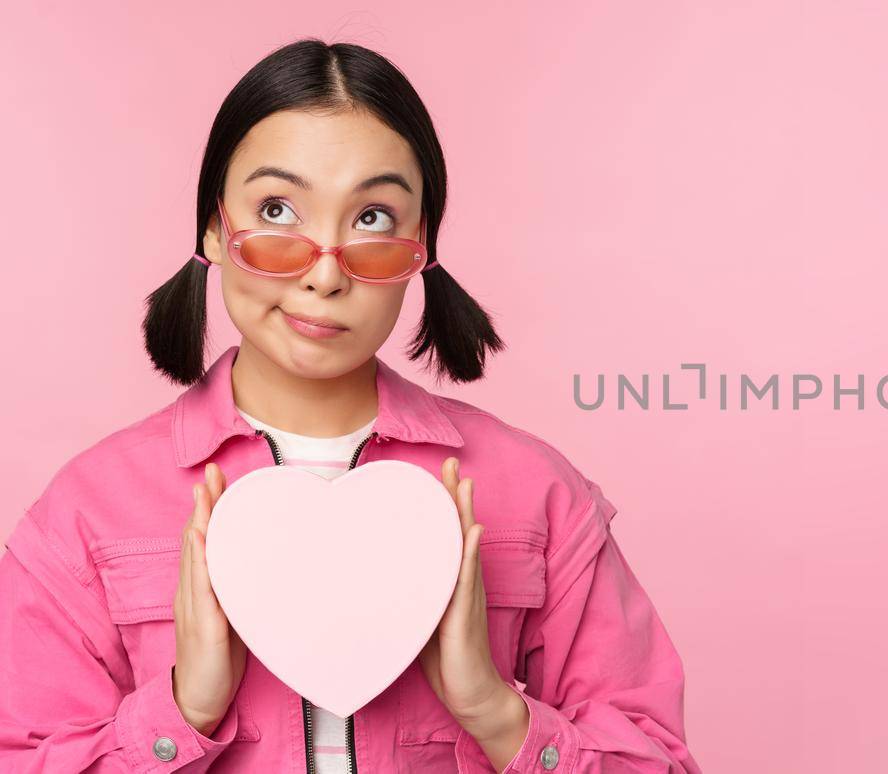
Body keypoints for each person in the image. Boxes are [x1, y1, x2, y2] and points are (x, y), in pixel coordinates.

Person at [0, 38, 700, 773]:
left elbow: (655, 760)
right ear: (212, 225)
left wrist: (494, 711)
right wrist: (183, 710)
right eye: (277, 208)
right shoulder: (86, 514)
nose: (325, 273)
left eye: (371, 218)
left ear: (421, 244)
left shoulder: (537, 494)